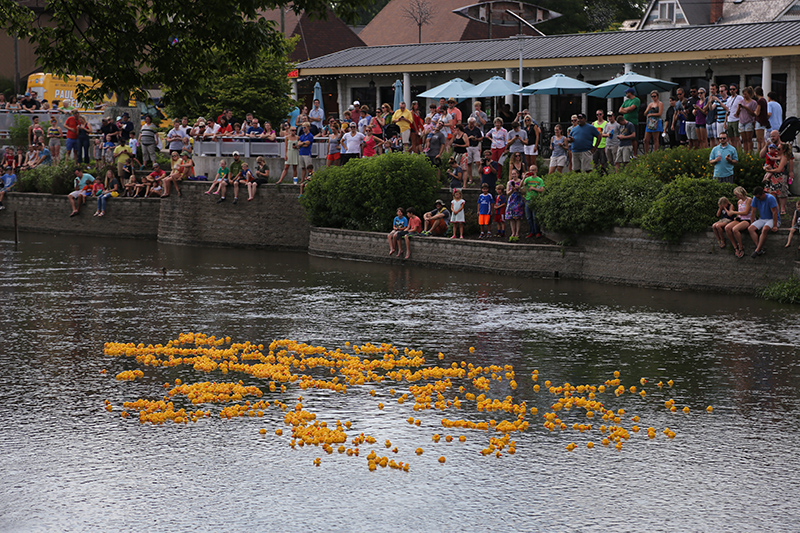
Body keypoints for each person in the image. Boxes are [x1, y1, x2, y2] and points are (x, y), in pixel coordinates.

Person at [747, 186, 778, 258]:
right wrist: (752, 223)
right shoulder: (755, 199)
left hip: (771, 218)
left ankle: (757, 250)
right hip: (762, 219)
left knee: (765, 229)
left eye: (759, 197)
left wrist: (775, 225)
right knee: (750, 229)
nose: (758, 199)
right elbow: (753, 212)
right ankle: (759, 248)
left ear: (763, 194)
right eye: (756, 198)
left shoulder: (770, 198)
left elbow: (774, 212)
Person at [762, 143, 790, 215]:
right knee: (772, 195)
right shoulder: (776, 156)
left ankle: (781, 210)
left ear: (783, 150)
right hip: (773, 178)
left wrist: (769, 171)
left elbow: (779, 169)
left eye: (779, 149)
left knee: (781, 195)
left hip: (780, 178)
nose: (777, 150)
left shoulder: (784, 157)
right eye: (777, 148)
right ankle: (775, 211)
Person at [725, 186, 752, 258]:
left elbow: (746, 212)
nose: (735, 196)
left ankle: (740, 246)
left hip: (747, 219)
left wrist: (733, 212)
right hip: (740, 218)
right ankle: (735, 246)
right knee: (727, 227)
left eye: (736, 195)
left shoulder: (749, 200)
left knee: (735, 229)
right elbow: (740, 212)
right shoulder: (739, 202)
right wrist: (736, 216)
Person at [522, 168, 544, 238]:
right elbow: (522, 185)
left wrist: (533, 188)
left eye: (533, 170)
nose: (532, 171)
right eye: (530, 170)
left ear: (536, 170)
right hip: (528, 199)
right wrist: (524, 177)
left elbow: (542, 190)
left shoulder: (539, 180)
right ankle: (531, 231)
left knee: (535, 217)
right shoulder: (528, 179)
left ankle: (537, 231)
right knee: (529, 217)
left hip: (535, 199)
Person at [619, 88, 640, 156]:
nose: (626, 94)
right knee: (625, 137)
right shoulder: (626, 101)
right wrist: (627, 110)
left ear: (630, 93)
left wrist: (626, 109)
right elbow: (620, 110)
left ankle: (634, 154)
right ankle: (628, 154)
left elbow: (631, 108)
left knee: (633, 138)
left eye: (627, 93)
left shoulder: (636, 100)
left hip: (633, 122)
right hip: (625, 123)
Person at [736, 86, 757, 153]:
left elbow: (753, 113)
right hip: (741, 121)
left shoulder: (753, 102)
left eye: (745, 94)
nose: (744, 96)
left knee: (749, 139)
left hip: (749, 121)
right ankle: (745, 153)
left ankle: (750, 153)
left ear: (749, 94)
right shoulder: (741, 101)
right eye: (743, 94)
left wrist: (746, 107)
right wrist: (739, 107)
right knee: (744, 139)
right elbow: (737, 113)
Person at [504, 169, 524, 241]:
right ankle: (513, 232)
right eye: (512, 174)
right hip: (511, 200)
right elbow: (507, 193)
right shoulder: (509, 182)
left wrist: (519, 188)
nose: (513, 175)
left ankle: (517, 232)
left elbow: (524, 191)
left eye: (515, 174)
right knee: (511, 217)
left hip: (518, 200)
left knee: (518, 217)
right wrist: (512, 190)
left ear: (518, 174)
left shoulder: (521, 182)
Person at [464, 117, 483, 184]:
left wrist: (476, 139)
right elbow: (463, 138)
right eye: (471, 123)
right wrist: (469, 138)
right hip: (468, 147)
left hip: (475, 146)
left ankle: (481, 178)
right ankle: (470, 179)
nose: (472, 125)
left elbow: (481, 138)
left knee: (478, 162)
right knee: (469, 163)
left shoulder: (477, 129)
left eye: (473, 123)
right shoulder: (465, 129)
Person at [725, 84, 743, 149]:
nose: (732, 91)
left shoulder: (739, 98)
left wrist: (739, 114)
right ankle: (733, 151)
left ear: (736, 90)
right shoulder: (728, 99)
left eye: (733, 89)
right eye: (730, 89)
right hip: (729, 120)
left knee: (737, 137)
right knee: (731, 138)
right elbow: (727, 111)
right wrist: (725, 122)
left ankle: (739, 151)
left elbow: (743, 107)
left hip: (736, 120)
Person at [753, 87, 770, 153]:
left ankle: (761, 152)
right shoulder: (764, 100)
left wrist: (753, 111)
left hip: (759, 121)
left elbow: (757, 112)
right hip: (763, 121)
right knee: (760, 139)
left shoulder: (760, 101)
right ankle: (759, 152)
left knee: (760, 139)